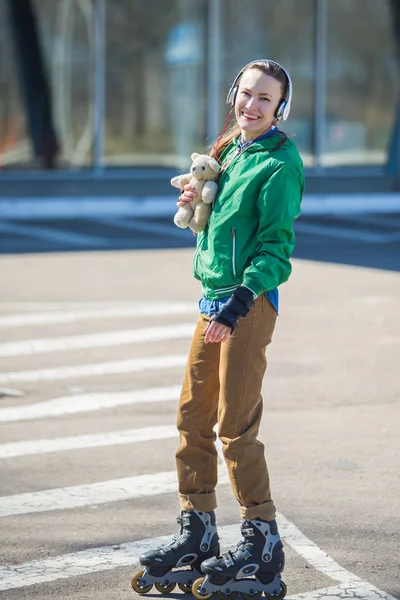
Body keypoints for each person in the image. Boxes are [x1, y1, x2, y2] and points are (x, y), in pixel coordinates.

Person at [131, 59, 304, 599]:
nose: (251, 106)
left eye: (265, 100)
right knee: (192, 417)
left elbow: (276, 249)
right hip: (212, 300)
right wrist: (195, 208)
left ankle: (262, 542)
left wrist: (238, 304)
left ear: (280, 109)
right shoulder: (230, 148)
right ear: (235, 93)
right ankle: (198, 532)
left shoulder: (280, 162)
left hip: (246, 307)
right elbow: (219, 227)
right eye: (246, 93)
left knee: (234, 425)